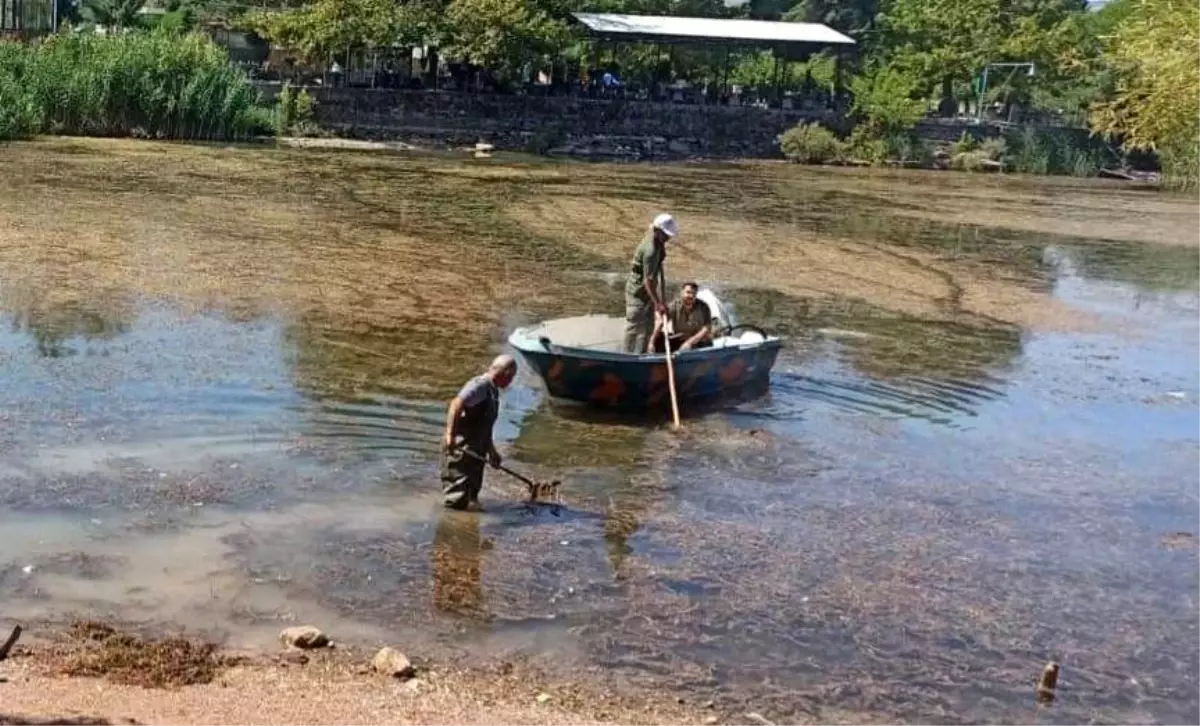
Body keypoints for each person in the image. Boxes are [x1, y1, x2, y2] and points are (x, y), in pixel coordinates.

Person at [440, 354, 517, 510]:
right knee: (456, 501)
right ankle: (450, 531)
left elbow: (483, 427)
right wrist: (451, 436)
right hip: (461, 452)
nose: (511, 382)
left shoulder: (493, 391)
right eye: (512, 376)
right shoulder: (480, 385)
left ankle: (469, 530)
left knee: (472, 499)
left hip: (476, 455)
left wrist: (492, 452)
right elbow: (456, 404)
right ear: (505, 373)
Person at [624, 213, 679, 354]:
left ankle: (641, 354)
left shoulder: (657, 242)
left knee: (648, 327)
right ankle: (626, 355)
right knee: (634, 327)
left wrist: (662, 253)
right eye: (665, 235)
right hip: (638, 293)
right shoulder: (650, 251)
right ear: (657, 230)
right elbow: (647, 281)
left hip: (648, 293)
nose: (668, 238)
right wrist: (658, 304)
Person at [651, 281, 713, 353]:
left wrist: (689, 343)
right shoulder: (675, 305)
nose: (691, 296)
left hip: (699, 341)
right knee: (659, 338)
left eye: (694, 293)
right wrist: (651, 342)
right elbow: (662, 321)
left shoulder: (703, 307)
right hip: (681, 339)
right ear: (682, 292)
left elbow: (706, 329)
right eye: (688, 292)